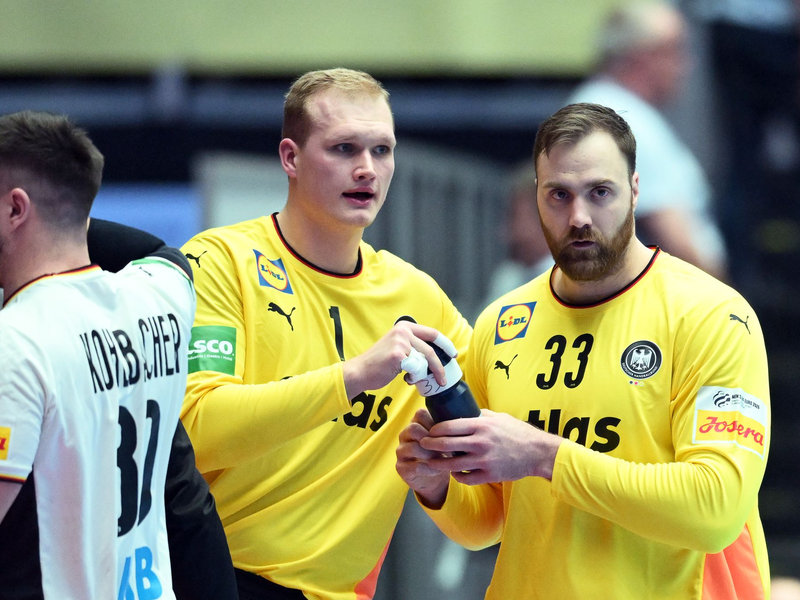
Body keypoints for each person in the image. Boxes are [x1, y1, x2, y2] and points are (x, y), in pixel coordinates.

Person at [396, 103, 771, 599]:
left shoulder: (713, 316)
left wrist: (543, 456)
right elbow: (488, 522)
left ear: (635, 190)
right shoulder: (502, 324)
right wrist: (436, 485)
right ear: (536, 197)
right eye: (559, 195)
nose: (579, 217)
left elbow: (715, 509)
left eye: (600, 193)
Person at [180, 68, 472, 599]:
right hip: (217, 580)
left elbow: (485, 493)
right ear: (290, 157)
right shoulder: (220, 261)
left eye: (382, 151)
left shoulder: (420, 298)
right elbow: (198, 430)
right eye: (343, 149)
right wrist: (355, 376)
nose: (367, 170)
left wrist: (436, 487)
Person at [0, 111, 237, 599]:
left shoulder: (17, 340)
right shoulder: (162, 296)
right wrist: (69, 209)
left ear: (15, 209)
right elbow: (162, 253)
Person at [569, 1, 729, 282]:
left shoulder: (620, 109)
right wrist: (726, 308)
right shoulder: (614, 117)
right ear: (642, 55)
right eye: (675, 50)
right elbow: (672, 237)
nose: (686, 66)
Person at [483, 164, 553, 306]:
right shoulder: (507, 279)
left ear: (545, 220)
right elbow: (481, 328)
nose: (505, 234)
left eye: (513, 216)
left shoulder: (577, 286)